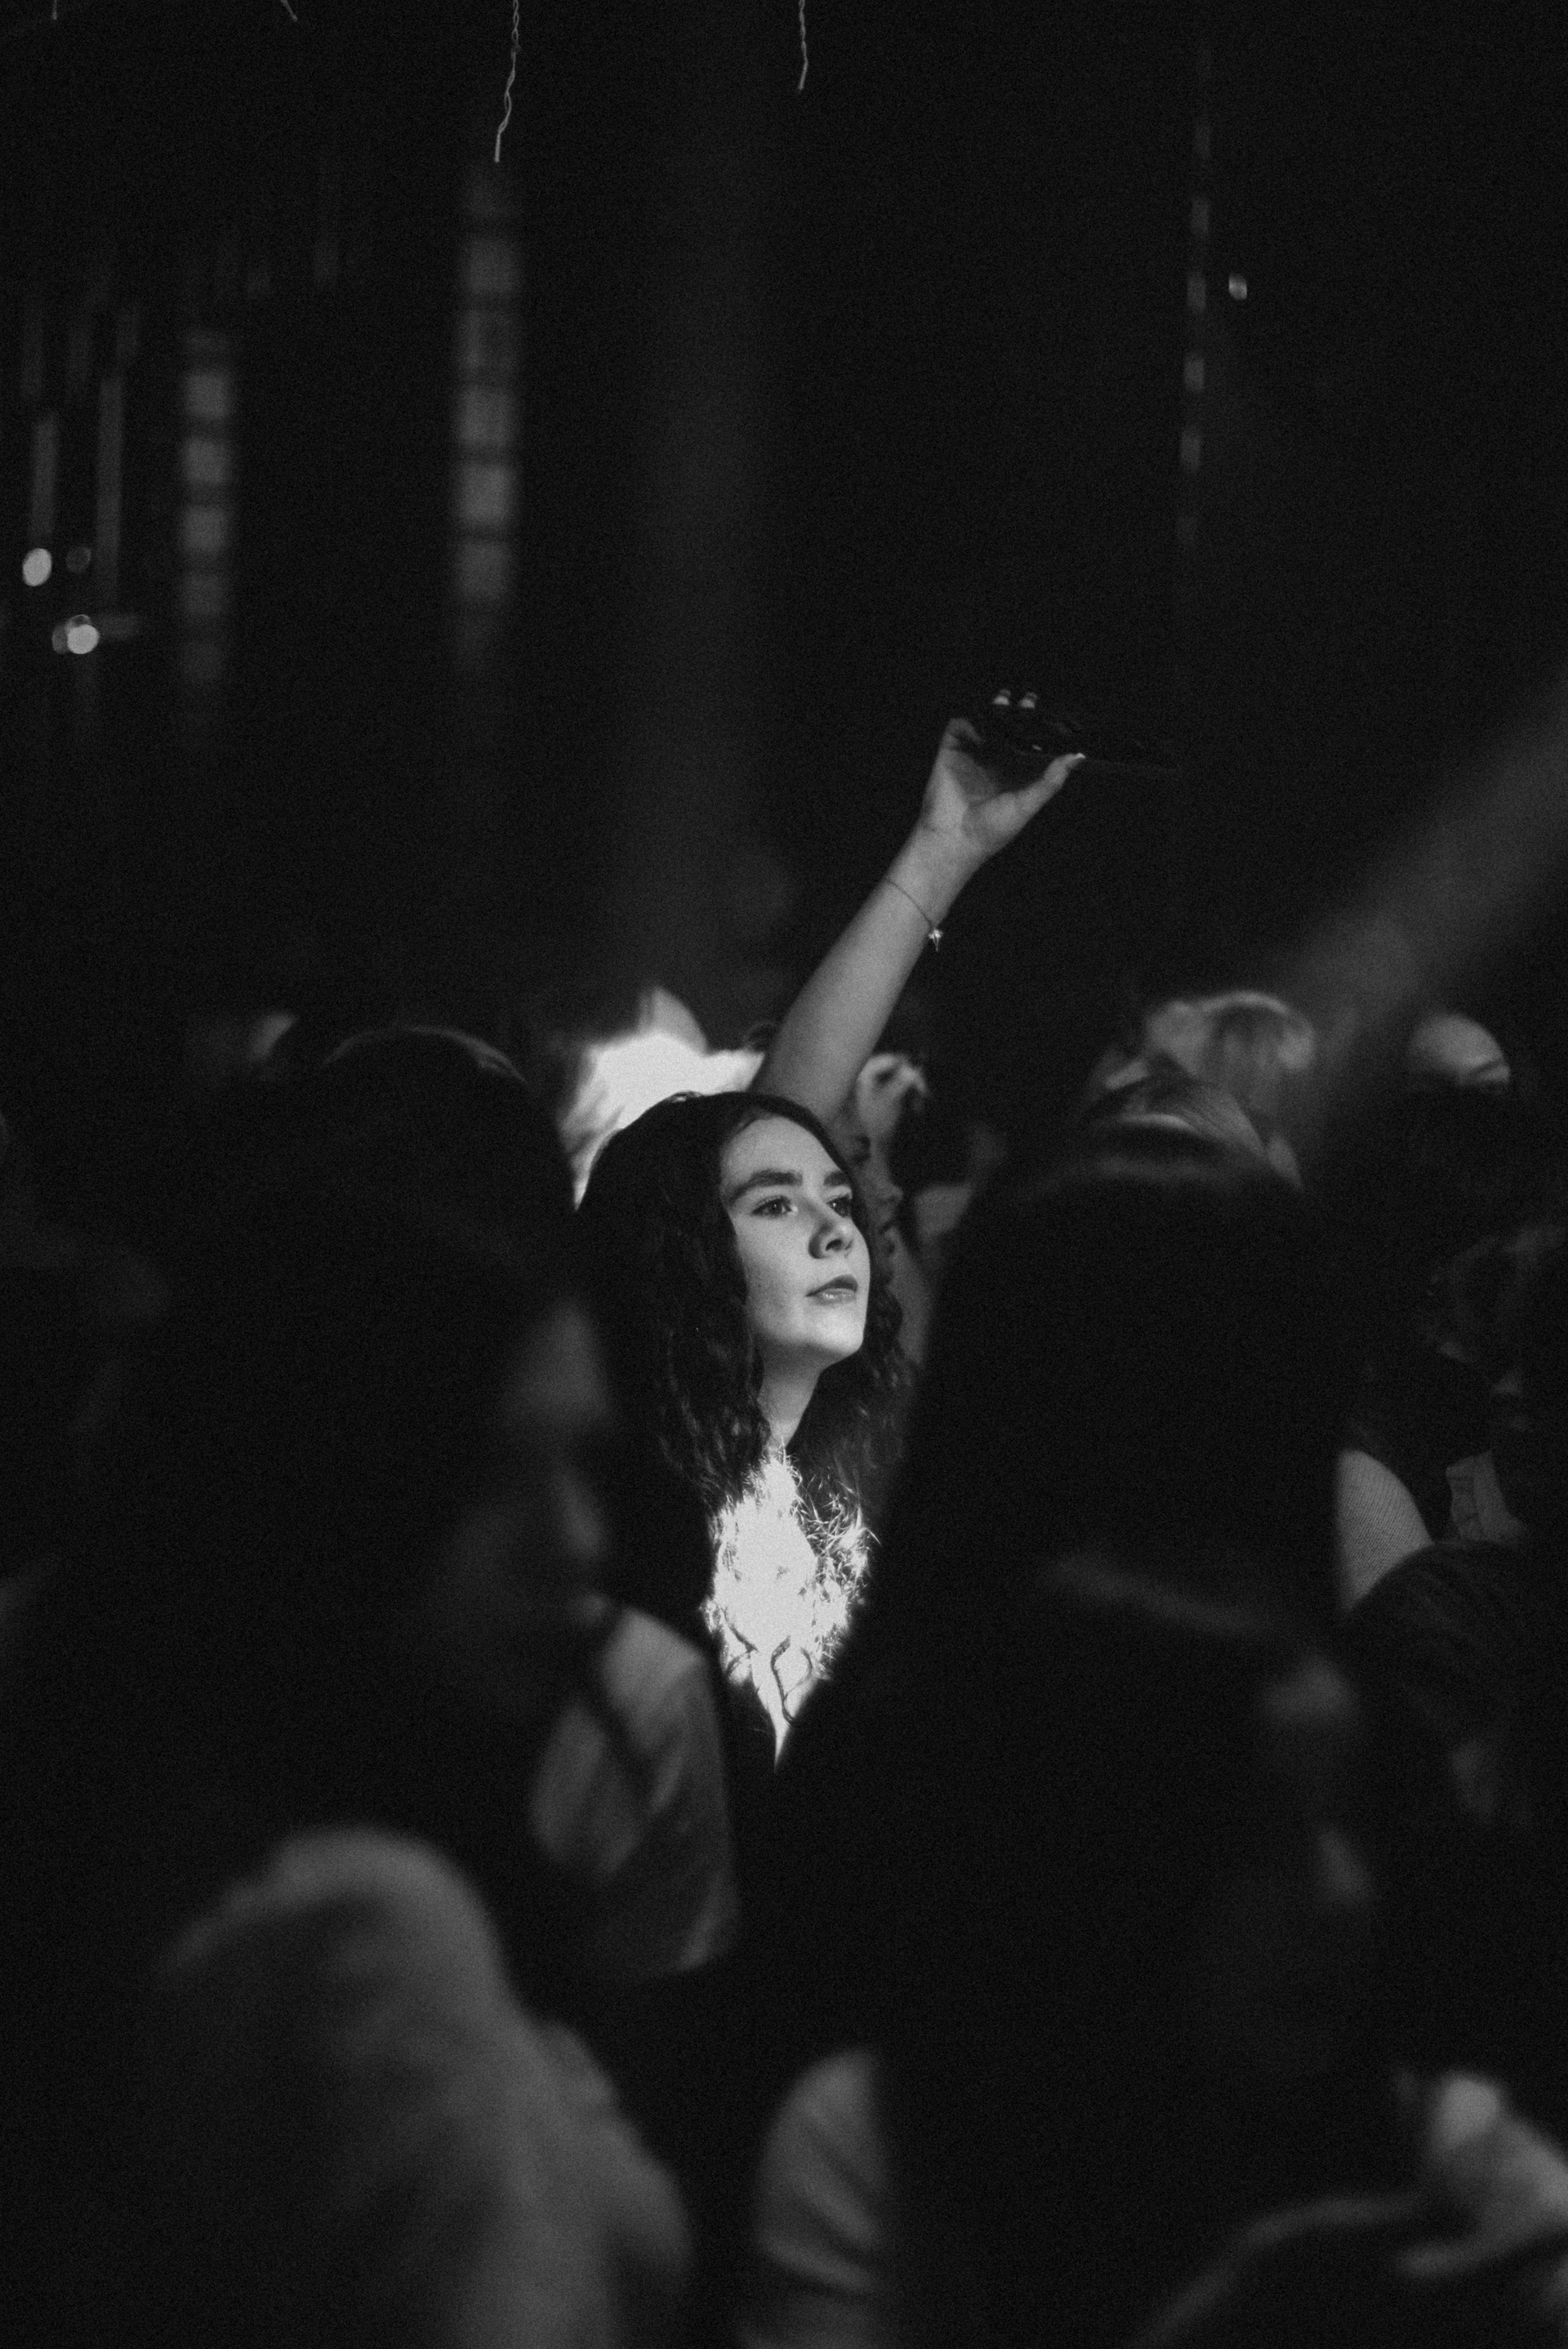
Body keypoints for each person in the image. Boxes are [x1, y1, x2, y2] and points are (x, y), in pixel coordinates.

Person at [0, 1026, 733, 2348]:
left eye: (584, 1465)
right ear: (332, 1488)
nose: (574, 1539)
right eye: (497, 1474)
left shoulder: (263, 1840)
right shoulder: (365, 1933)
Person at [580, 1090, 908, 1763]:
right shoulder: (635, 1523)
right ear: (683, 1253)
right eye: (776, 1205)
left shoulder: (869, 1488)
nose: (836, 1231)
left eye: (841, 1200)